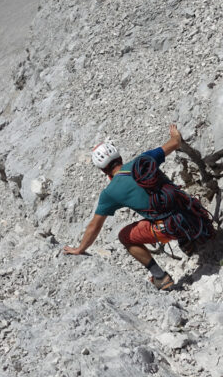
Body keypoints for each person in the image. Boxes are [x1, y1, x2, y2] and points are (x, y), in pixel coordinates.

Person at [65, 124, 199, 290]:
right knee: (161, 201)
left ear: (103, 171)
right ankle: (188, 241)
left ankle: (161, 277)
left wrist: (80, 249)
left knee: (125, 236)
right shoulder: (143, 161)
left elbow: (95, 226)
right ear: (119, 158)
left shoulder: (110, 193)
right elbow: (175, 142)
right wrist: (174, 135)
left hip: (167, 228)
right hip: (189, 210)